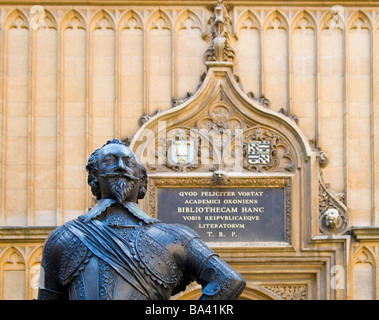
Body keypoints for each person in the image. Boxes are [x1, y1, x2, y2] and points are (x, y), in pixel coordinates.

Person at [38, 139, 246, 300]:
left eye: (128, 162)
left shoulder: (176, 237)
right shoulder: (64, 238)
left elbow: (229, 280)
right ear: (94, 177)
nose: (121, 167)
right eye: (110, 161)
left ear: (142, 180)